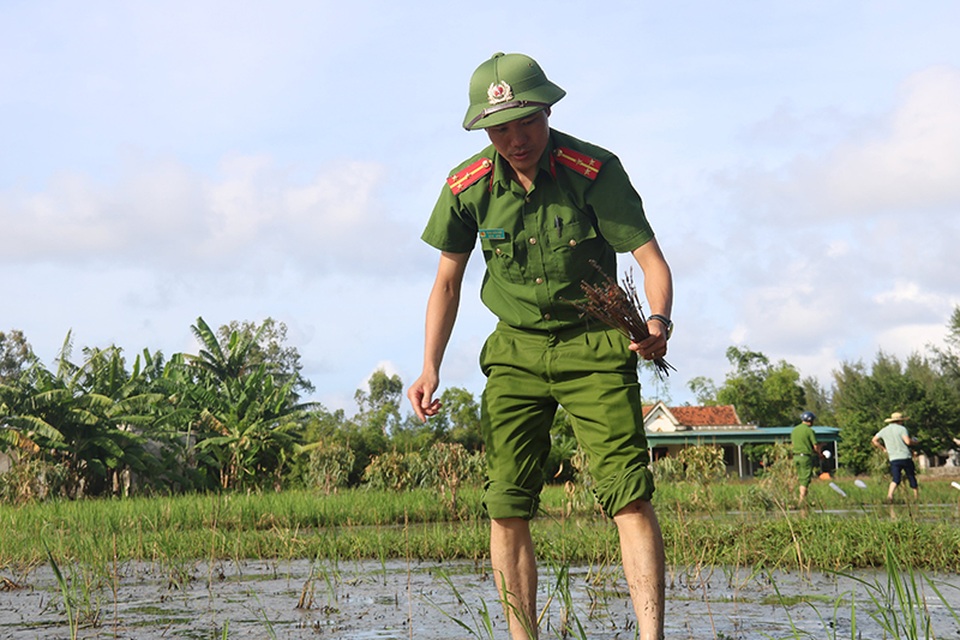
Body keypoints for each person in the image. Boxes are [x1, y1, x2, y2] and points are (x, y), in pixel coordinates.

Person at [406, 52, 672, 640]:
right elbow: (446, 281)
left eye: (526, 122)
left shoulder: (593, 171)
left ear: (547, 111)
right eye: (500, 128)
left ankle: (652, 635)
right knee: (505, 502)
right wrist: (429, 366)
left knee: (627, 495)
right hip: (516, 353)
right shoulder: (466, 186)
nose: (516, 139)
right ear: (484, 128)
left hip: (596, 346)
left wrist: (657, 322)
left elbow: (650, 261)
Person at [872, 412, 919, 502]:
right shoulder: (902, 429)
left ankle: (890, 495)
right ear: (900, 421)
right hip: (905, 456)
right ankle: (916, 497)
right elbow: (908, 442)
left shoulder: (884, 430)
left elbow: (874, 440)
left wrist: (883, 449)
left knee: (896, 478)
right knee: (911, 476)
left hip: (893, 458)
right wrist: (915, 442)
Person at [791, 411, 819, 503]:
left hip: (795, 457)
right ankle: (802, 500)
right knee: (805, 479)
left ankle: (799, 498)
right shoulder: (809, 431)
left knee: (800, 477)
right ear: (810, 420)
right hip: (805, 457)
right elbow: (815, 446)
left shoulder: (794, 430)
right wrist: (820, 453)